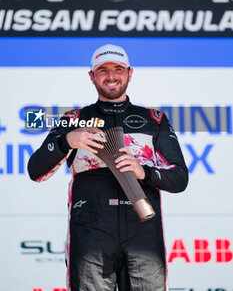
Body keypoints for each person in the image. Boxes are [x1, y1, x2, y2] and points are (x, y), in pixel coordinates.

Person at [28, 44, 189, 291]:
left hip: (143, 232)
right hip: (91, 231)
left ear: (130, 73)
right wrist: (66, 141)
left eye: (118, 69)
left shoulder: (154, 120)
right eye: (102, 70)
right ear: (92, 76)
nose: (111, 76)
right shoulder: (74, 119)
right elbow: (35, 171)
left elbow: (179, 179)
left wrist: (143, 171)